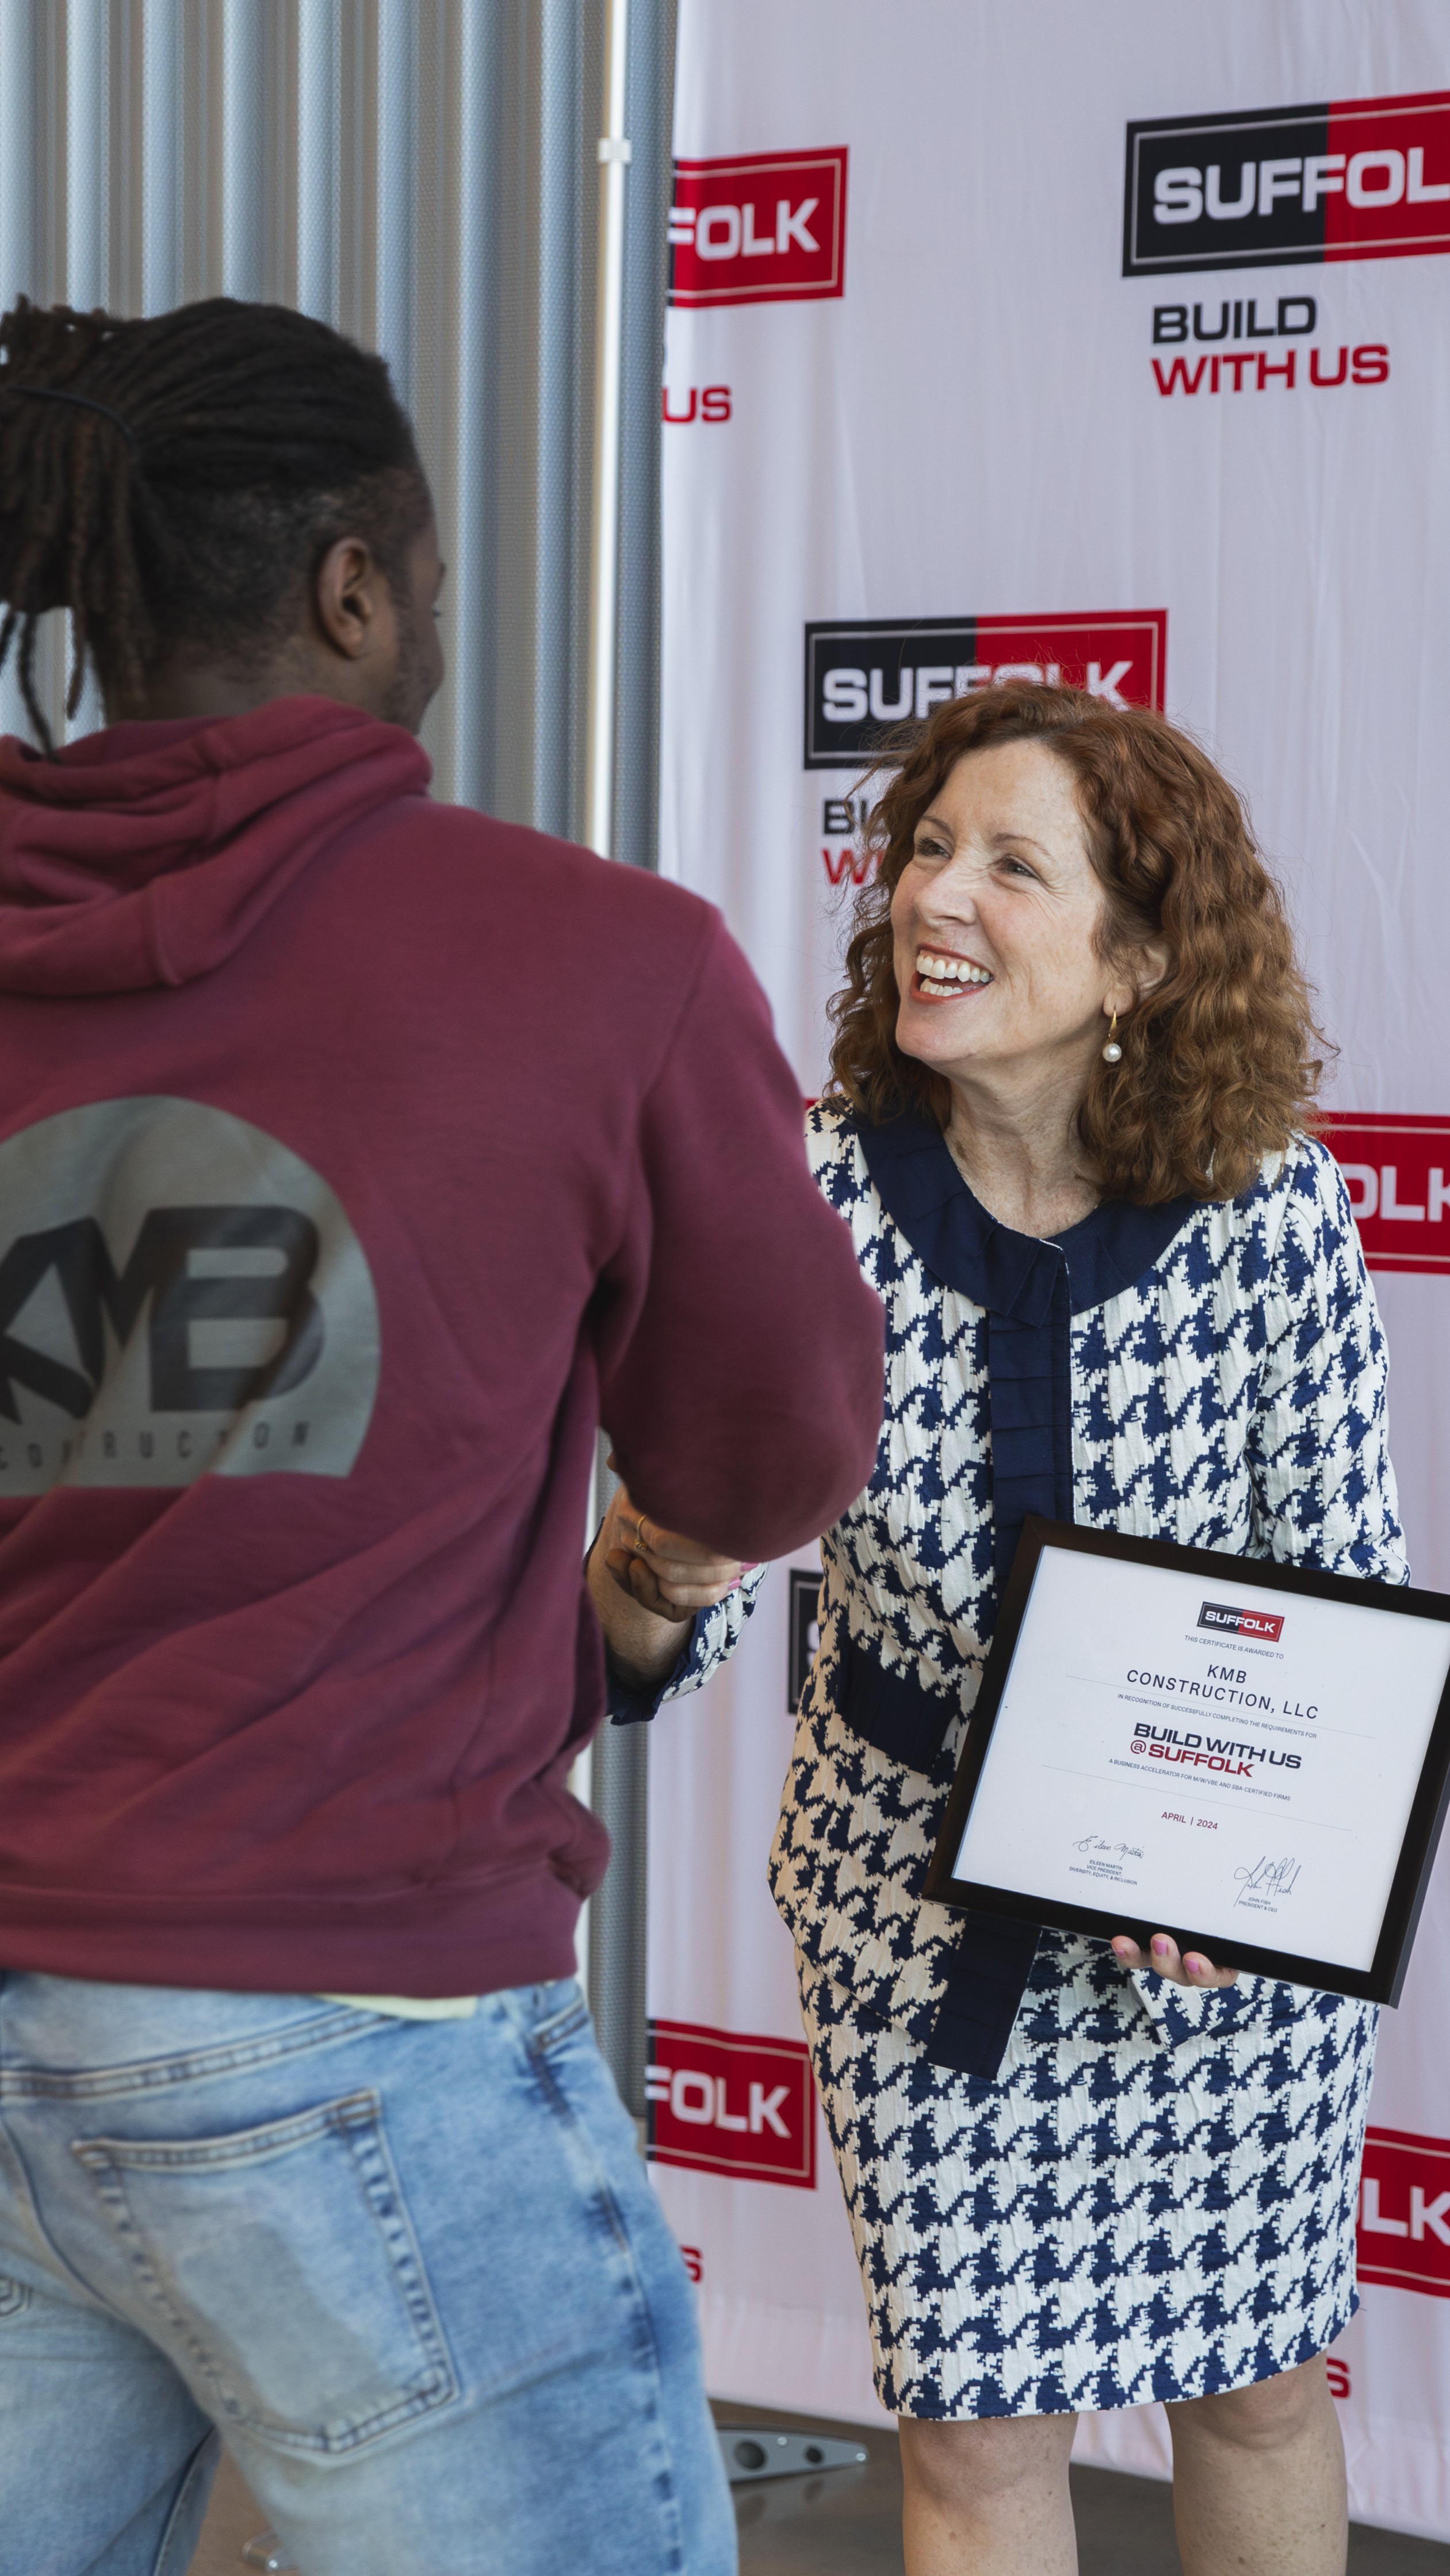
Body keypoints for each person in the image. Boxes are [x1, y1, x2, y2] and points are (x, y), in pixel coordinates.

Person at [0, 295, 886, 2576]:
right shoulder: (591, 957)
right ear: (354, 588)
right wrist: (651, 1577)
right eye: (431, 577)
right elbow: (782, 1431)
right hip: (352, 2025)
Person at [594, 681, 1401, 2576]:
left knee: (1263, 2385)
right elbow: (659, 1622)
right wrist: (650, 1574)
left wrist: (1238, 1867)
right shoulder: (801, 1204)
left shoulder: (1274, 1210)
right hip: (912, 1910)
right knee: (970, 2436)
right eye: (926, 851)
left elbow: (1342, 1601)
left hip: (1224, 1928)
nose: (934, 897)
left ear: (1135, 960)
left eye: (1011, 867)